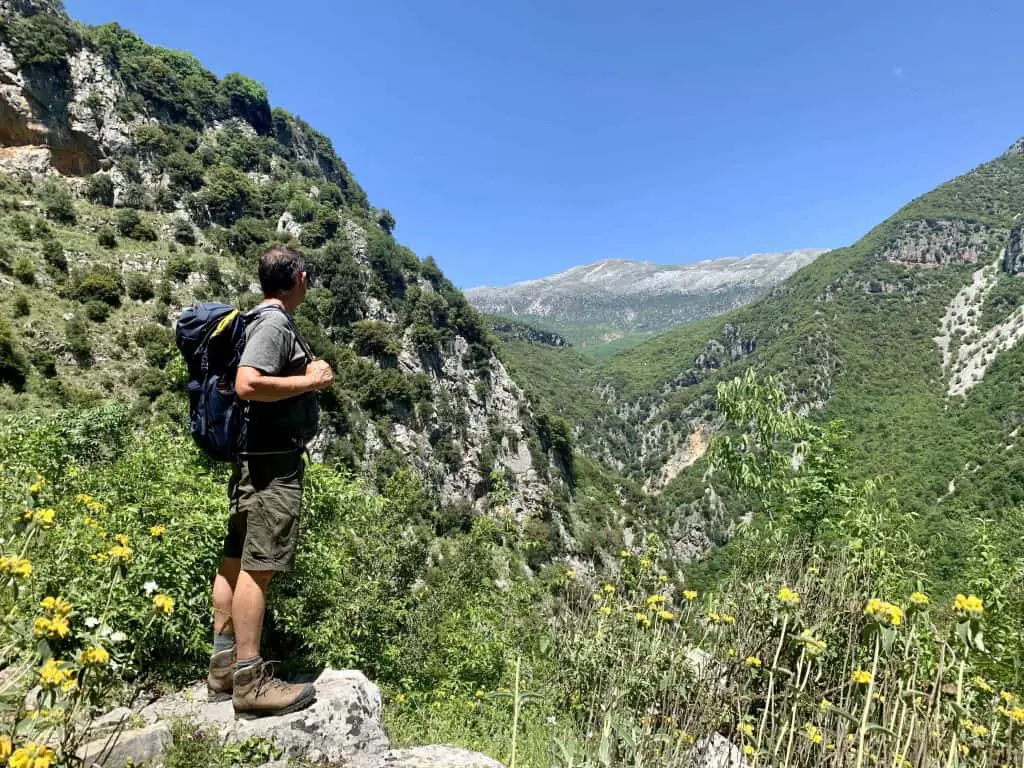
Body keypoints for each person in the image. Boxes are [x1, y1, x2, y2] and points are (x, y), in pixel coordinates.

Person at [206, 245, 334, 716]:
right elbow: (248, 383)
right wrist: (310, 382)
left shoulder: (253, 319)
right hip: (271, 467)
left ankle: (223, 666)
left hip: (251, 459)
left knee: (236, 558)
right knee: (258, 568)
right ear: (299, 277)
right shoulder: (274, 324)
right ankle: (250, 680)